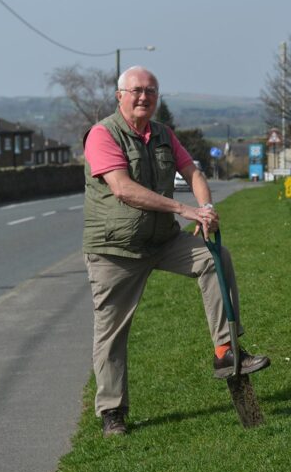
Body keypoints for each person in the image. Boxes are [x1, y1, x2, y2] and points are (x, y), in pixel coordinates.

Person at [82, 66, 269, 437]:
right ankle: (112, 412)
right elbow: (123, 189)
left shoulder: (164, 134)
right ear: (119, 95)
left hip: (164, 241)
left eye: (151, 91)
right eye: (135, 91)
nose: (143, 97)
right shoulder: (103, 135)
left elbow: (194, 172)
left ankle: (225, 351)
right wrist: (186, 211)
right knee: (112, 333)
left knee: (215, 258)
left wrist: (207, 208)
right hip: (115, 250)